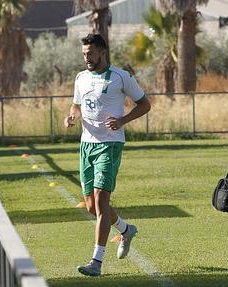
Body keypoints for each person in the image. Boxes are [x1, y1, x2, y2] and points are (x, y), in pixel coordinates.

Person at [64, 34, 151, 276]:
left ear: (103, 52)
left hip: (109, 146)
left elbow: (145, 104)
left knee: (102, 203)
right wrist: (72, 115)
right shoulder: (81, 78)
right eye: (84, 54)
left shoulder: (121, 76)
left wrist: (123, 120)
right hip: (86, 146)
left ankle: (96, 261)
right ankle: (125, 230)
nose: (87, 58)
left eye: (90, 53)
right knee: (92, 207)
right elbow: (77, 105)